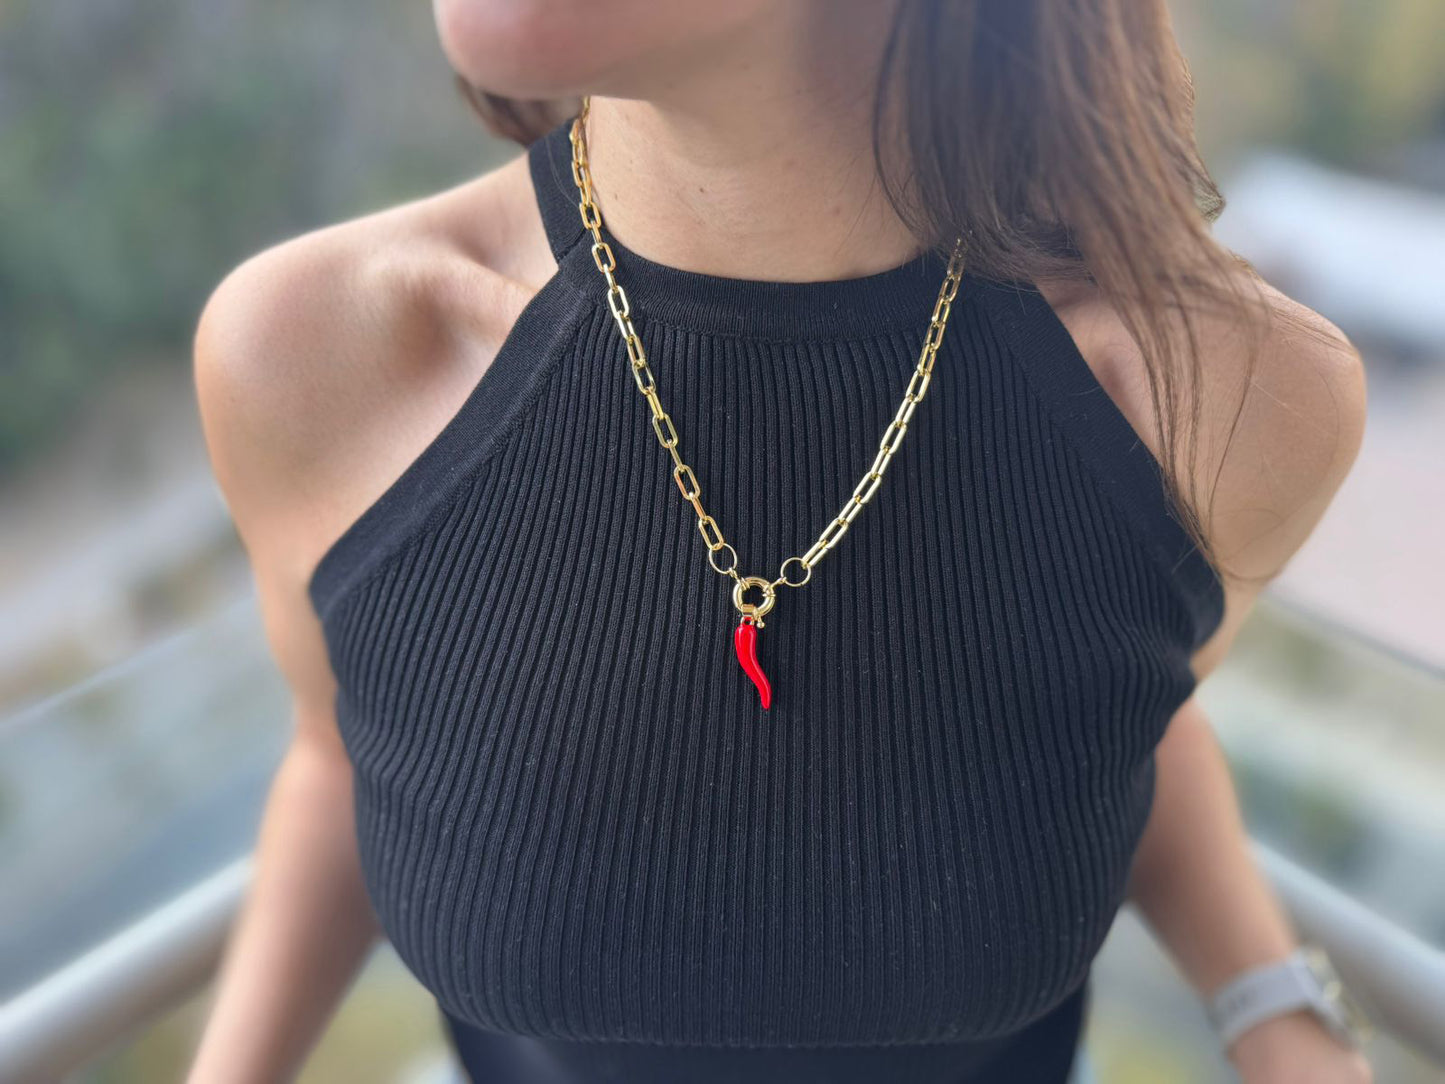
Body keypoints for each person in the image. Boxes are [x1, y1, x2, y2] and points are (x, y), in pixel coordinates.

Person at [185, 1, 1374, 1081]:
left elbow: (1129, 724)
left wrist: (1272, 1010)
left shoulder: (1225, 402)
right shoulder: (318, 353)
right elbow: (340, 754)